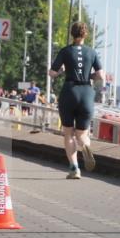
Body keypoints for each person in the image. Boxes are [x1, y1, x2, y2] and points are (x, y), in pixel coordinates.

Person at [48, 21, 106, 178]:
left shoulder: (65, 51)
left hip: (70, 91)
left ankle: (74, 167)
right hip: (86, 92)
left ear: (72, 34)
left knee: (68, 133)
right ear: (85, 34)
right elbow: (101, 75)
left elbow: (52, 73)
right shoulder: (92, 52)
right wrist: (88, 75)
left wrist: (62, 70)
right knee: (81, 134)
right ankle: (85, 145)